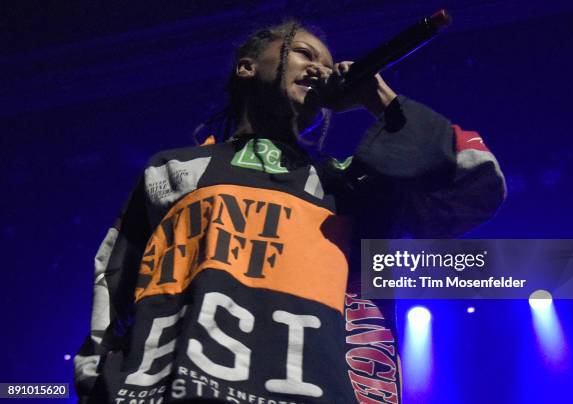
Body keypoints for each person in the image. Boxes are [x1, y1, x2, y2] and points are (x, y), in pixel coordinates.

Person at [74, 20, 505, 403]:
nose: (320, 68)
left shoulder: (347, 183)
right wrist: (100, 383)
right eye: (302, 53)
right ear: (247, 68)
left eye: (327, 63)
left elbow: (473, 183)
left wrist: (377, 96)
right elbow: (112, 281)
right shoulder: (175, 168)